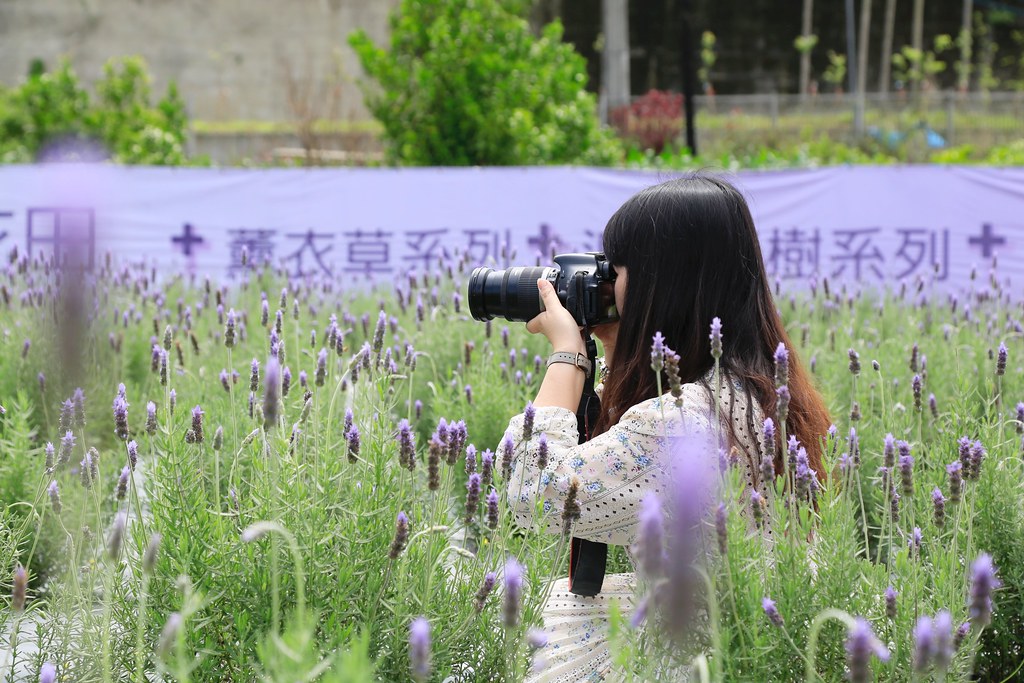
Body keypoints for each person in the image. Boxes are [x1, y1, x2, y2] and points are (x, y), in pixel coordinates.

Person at [501, 174, 831, 682]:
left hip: (680, 657)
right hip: (749, 642)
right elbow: (625, 456)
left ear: (662, 283)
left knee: (492, 637)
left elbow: (529, 489)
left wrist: (567, 355)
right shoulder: (756, 394)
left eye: (619, 269)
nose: (609, 284)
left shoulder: (675, 424)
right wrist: (614, 346)